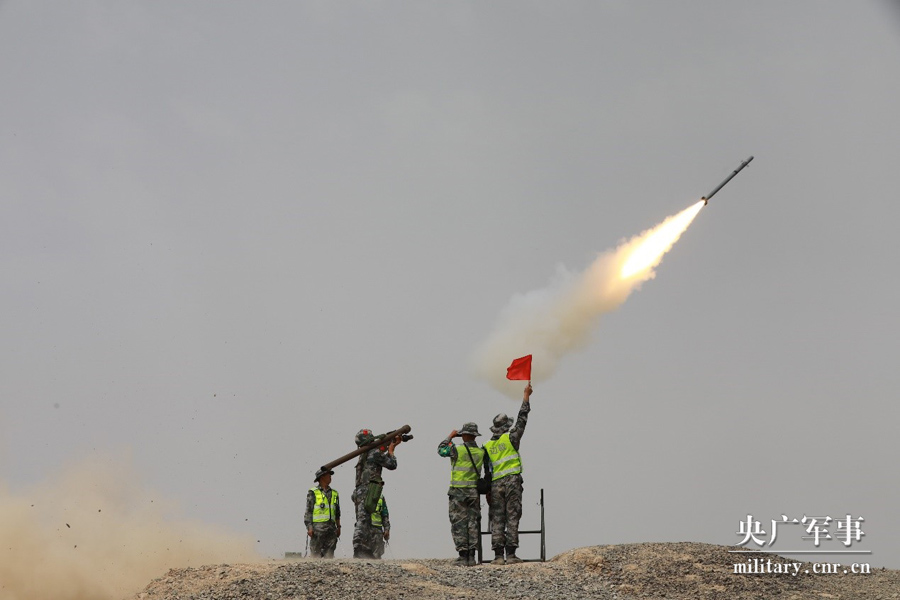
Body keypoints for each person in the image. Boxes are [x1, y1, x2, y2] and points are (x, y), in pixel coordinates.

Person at [483, 383, 532, 565]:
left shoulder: (487, 446)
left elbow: (487, 470)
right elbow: (522, 420)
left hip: (495, 485)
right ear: (506, 426)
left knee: (497, 518)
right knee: (512, 516)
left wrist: (488, 490)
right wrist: (526, 397)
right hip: (512, 481)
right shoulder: (511, 438)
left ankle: (497, 556)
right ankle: (511, 554)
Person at [438, 422, 485, 566]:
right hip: (473, 492)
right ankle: (472, 556)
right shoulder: (481, 452)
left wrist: (451, 436)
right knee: (472, 523)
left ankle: (463, 556)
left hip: (458, 492)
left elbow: (441, 450)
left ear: (463, 435)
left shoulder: (457, 449)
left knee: (459, 523)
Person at [352, 428, 401, 559]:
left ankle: (363, 549)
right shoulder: (373, 453)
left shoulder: (363, 454)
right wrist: (391, 450)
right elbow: (392, 464)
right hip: (369, 490)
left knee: (364, 520)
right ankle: (360, 549)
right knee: (364, 521)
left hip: (360, 491)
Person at [304, 467, 341, 558]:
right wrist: (309, 528)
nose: (330, 477)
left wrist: (338, 527)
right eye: (328, 475)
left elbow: (337, 512)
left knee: (329, 556)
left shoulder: (334, 493)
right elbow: (309, 511)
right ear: (322, 477)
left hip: (331, 529)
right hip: (318, 530)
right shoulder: (313, 492)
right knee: (316, 556)